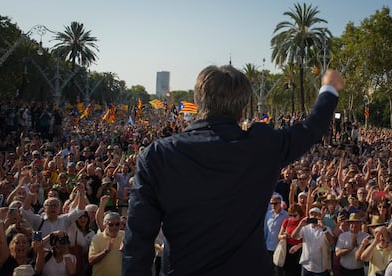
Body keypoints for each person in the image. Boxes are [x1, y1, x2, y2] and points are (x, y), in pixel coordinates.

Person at [122, 66, 343, 276]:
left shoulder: (157, 156)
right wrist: (329, 88)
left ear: (198, 102)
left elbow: (137, 241)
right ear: (242, 109)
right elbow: (310, 128)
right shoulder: (261, 146)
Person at [291, 207, 335, 275]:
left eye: (316, 214)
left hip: (320, 268)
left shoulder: (326, 228)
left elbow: (332, 242)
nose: (314, 216)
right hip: (306, 266)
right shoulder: (305, 228)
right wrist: (300, 225)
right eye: (312, 214)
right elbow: (293, 236)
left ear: (320, 216)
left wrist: (323, 228)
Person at [89, 212, 124, 276]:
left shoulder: (124, 236)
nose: (114, 227)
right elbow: (91, 261)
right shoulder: (97, 238)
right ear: (105, 225)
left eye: (117, 224)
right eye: (111, 224)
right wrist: (105, 252)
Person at [264, 194, 288, 275]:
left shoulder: (286, 215)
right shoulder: (268, 214)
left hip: (279, 247)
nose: (273, 205)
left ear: (280, 203)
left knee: (278, 271)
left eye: (275, 203)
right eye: (271, 203)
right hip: (268, 246)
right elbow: (265, 229)